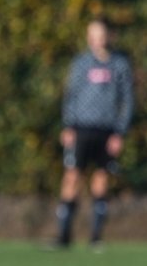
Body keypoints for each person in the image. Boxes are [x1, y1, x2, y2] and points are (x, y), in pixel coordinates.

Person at [49, 18, 134, 251]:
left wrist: (119, 132)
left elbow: (126, 101)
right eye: (92, 35)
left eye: (100, 34)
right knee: (72, 177)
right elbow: (71, 95)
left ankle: (96, 237)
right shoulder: (81, 63)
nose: (96, 40)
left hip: (106, 131)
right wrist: (68, 126)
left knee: (101, 180)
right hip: (81, 128)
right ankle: (63, 236)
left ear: (108, 36)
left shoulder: (120, 65)